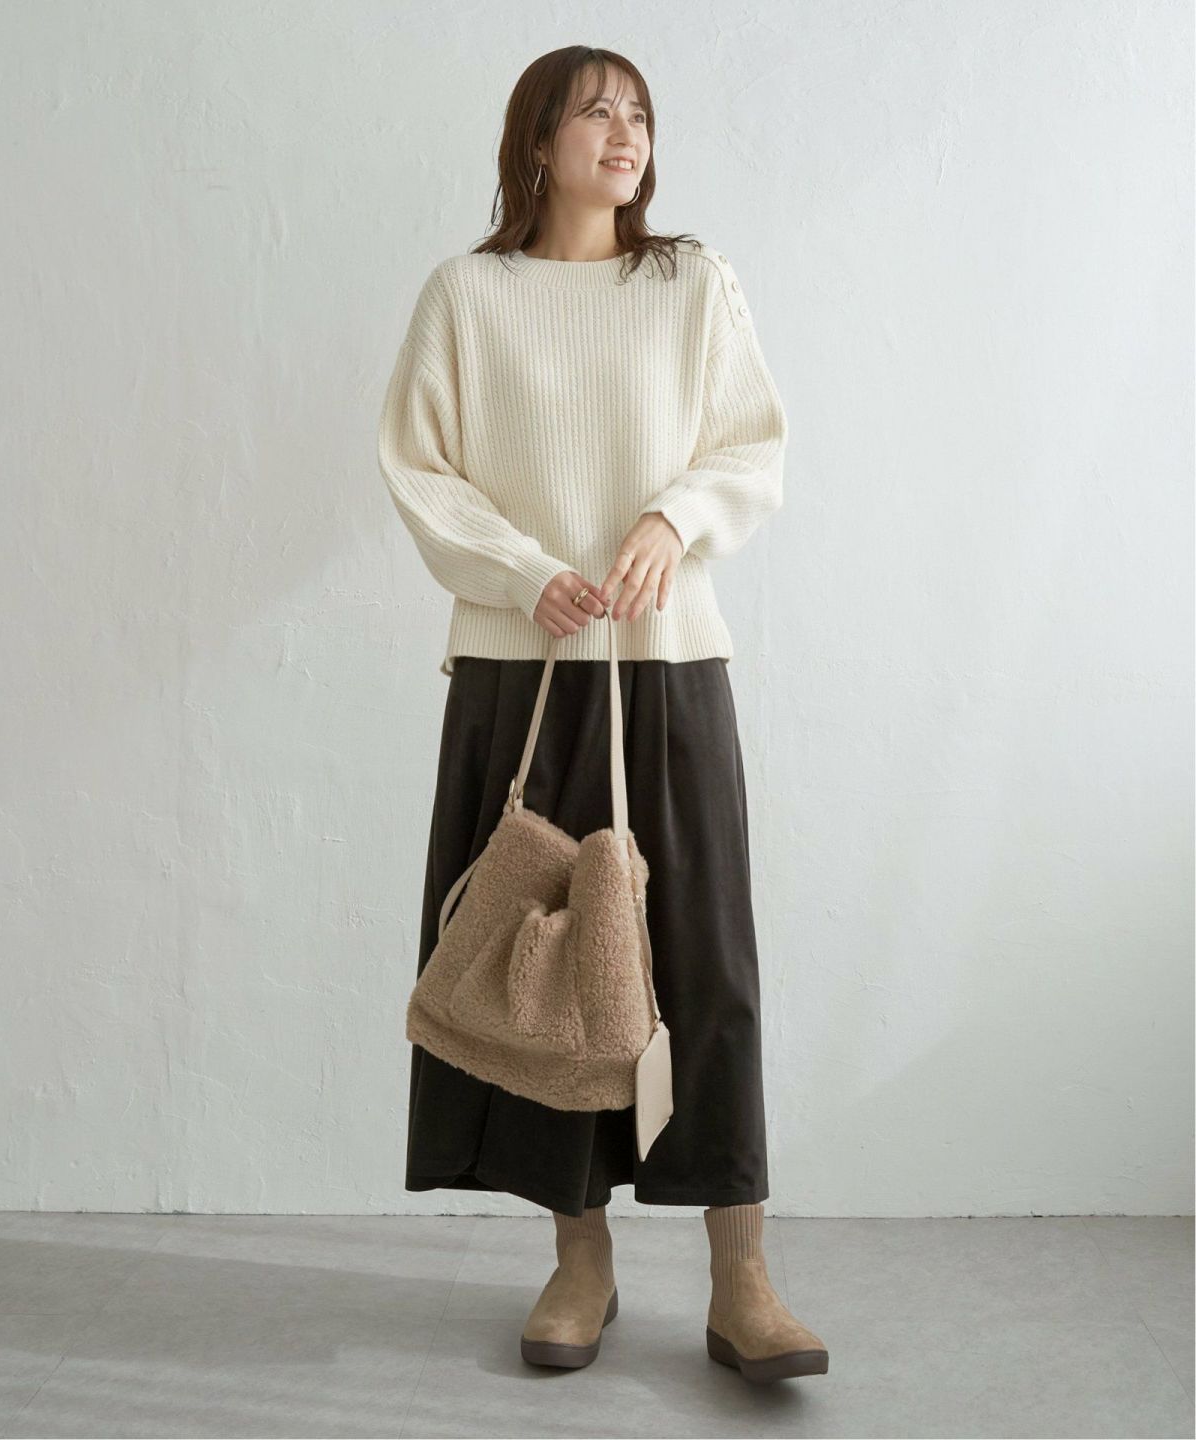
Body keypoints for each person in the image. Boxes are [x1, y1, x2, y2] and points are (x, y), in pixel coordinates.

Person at [377, 45, 828, 1385]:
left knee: (705, 964)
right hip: (523, 673)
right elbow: (419, 468)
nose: (624, 133)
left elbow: (752, 443)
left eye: (640, 114)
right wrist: (526, 572)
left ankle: (743, 1278)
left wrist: (670, 520)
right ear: (538, 140)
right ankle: (581, 1263)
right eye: (595, 112)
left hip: (668, 665)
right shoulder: (468, 296)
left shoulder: (690, 283)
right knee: (544, 972)